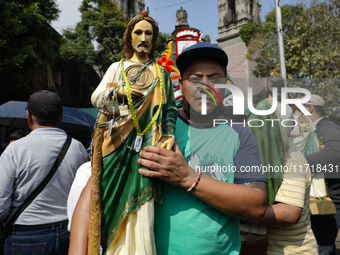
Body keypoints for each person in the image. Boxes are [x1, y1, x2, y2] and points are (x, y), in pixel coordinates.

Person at [69, 42, 267, 254]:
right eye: (196, 78)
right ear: (181, 84)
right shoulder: (150, 125)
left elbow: (255, 204)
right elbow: (96, 187)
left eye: (215, 78)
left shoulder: (240, 134)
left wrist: (187, 177)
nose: (206, 85)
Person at [82, 11, 177, 255]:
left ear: (154, 39)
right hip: (115, 144)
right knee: (111, 202)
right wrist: (118, 93)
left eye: (148, 33)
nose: (143, 38)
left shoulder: (160, 72)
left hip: (148, 145)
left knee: (144, 209)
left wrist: (168, 136)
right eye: (138, 32)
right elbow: (98, 99)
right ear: (129, 37)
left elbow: (169, 110)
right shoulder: (117, 68)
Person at [0, 90, 89, 254]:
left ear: (28, 116)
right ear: (61, 117)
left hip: (25, 236)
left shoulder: (15, 150)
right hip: (70, 234)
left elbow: (1, 205)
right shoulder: (78, 148)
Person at [304, 94, 340, 255]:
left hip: (330, 204)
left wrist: (300, 163)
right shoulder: (314, 129)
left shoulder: (325, 126)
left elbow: (336, 152)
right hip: (324, 202)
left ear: (309, 108)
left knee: (322, 248)